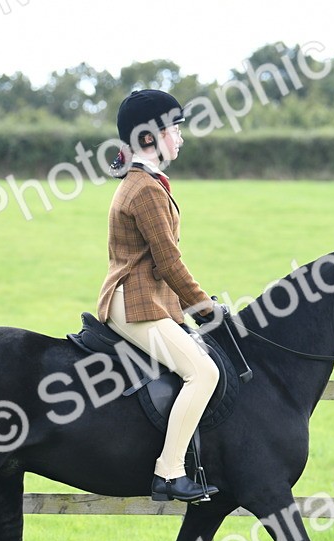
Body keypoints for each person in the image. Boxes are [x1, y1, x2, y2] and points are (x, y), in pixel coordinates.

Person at [96, 89, 220, 503]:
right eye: (175, 129)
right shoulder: (145, 189)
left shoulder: (144, 182)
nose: (180, 138)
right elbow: (168, 262)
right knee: (203, 373)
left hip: (144, 298)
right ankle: (169, 472)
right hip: (136, 304)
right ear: (149, 137)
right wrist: (205, 307)